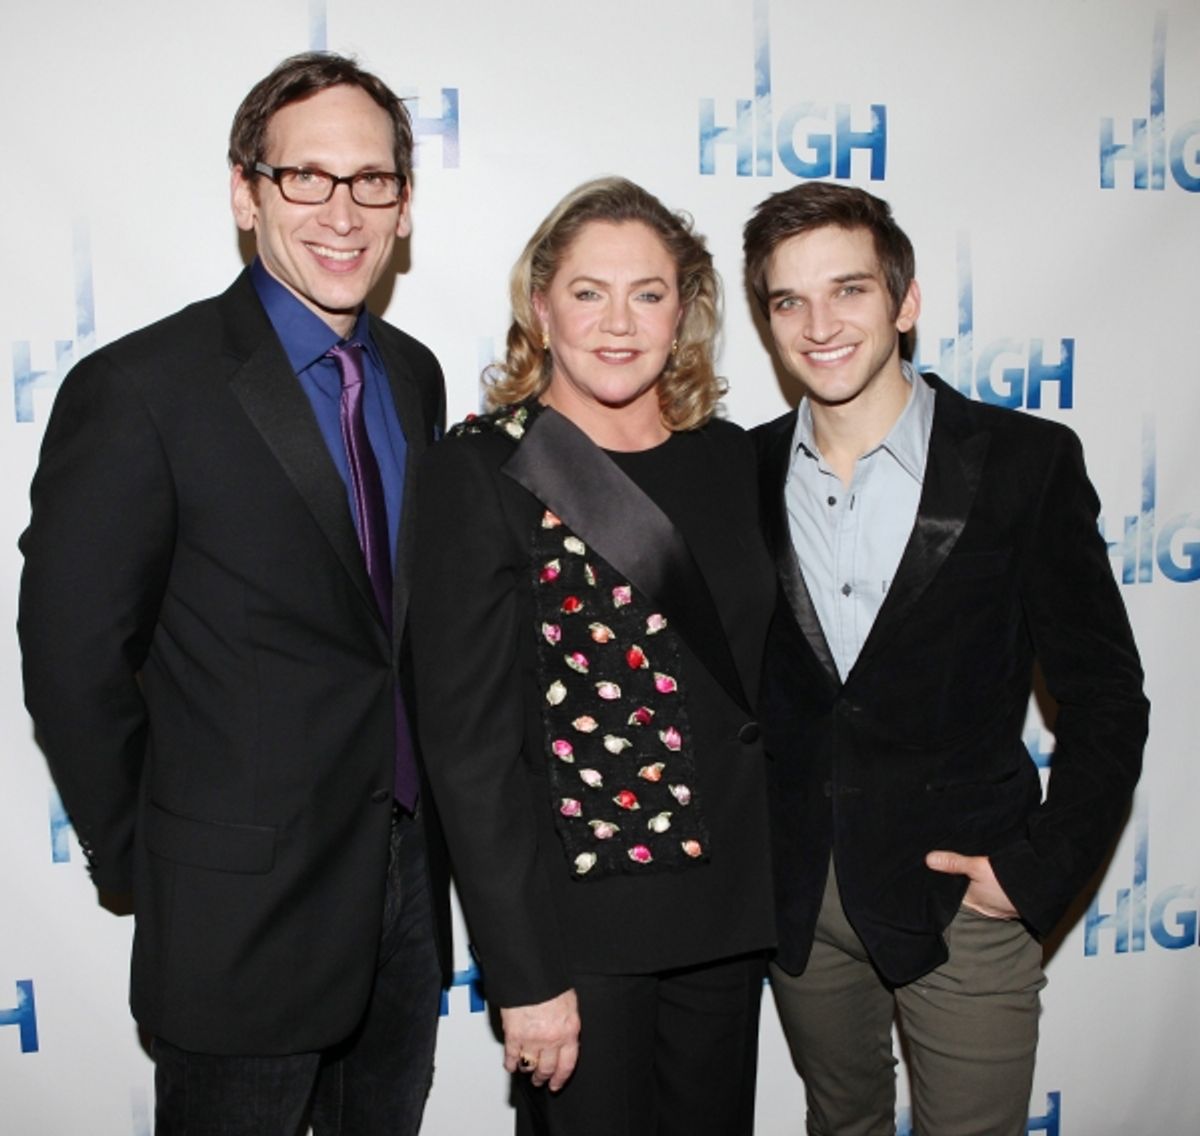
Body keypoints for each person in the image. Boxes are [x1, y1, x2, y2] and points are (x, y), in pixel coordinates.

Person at [18, 52, 448, 1136]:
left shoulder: (414, 375)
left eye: (372, 180)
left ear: (404, 204)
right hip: (237, 916)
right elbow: (72, 655)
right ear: (246, 192)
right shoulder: (140, 390)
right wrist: (155, 856)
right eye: (306, 176)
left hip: (406, 890)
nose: (342, 212)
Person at [744, 180, 1149, 1136]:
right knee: (840, 1125)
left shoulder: (1023, 461)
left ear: (906, 301)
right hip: (803, 901)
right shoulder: (740, 470)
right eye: (790, 300)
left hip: (964, 895)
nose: (819, 325)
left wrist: (1036, 870)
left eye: (848, 290)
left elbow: (1105, 694)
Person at [409, 176, 775, 1135]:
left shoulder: (731, 459)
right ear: (541, 306)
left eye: (647, 293)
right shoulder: (481, 470)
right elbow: (469, 752)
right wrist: (525, 975)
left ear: (683, 312)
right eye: (587, 292)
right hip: (580, 937)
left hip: (726, 916)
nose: (619, 323)